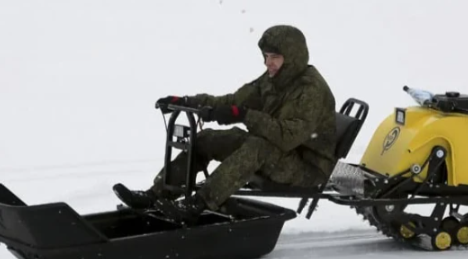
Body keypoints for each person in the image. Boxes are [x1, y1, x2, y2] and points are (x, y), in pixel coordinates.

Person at [114, 25, 337, 222]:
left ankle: (198, 204)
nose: (268, 63)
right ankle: (155, 194)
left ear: (292, 57)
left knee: (257, 147)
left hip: (308, 168)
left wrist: (244, 115)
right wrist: (189, 102)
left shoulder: (310, 90)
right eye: (266, 56)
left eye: (275, 57)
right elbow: (234, 101)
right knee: (206, 139)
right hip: (279, 153)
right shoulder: (274, 79)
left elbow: (288, 137)